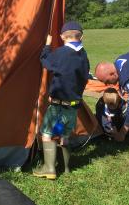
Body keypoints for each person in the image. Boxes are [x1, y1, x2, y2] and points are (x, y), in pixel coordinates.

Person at [33, 21, 90, 179]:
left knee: (47, 134)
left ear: (62, 37)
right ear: (81, 37)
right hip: (72, 107)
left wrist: (47, 45)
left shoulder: (61, 53)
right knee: (63, 135)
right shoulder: (83, 55)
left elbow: (45, 61)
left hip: (58, 106)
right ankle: (65, 168)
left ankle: (49, 168)